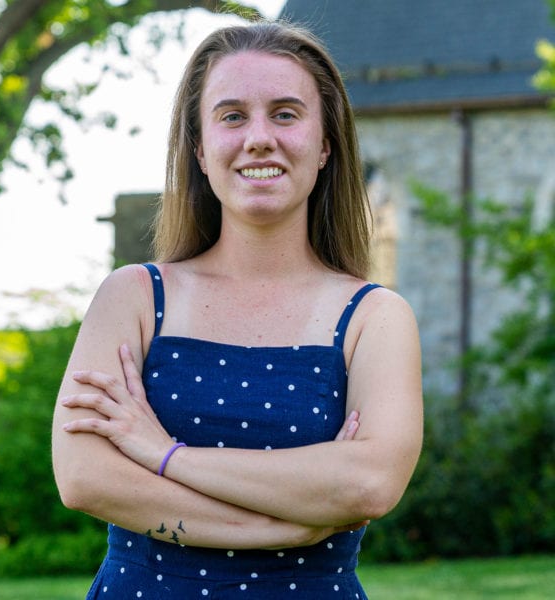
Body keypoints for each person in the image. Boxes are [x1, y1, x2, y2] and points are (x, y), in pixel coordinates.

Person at [52, 20, 423, 600]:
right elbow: (83, 477)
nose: (258, 138)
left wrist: (162, 454)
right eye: (231, 116)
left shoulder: (376, 317)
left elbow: (369, 485)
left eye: (285, 113)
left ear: (325, 145)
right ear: (199, 149)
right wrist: (285, 522)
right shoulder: (132, 297)